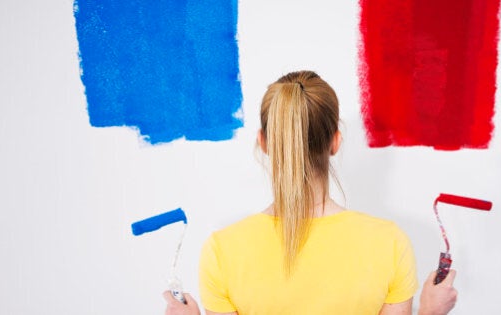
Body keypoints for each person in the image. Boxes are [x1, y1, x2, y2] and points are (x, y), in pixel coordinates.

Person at [163, 71, 458, 315]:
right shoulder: (390, 241)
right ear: (335, 142)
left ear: (263, 143)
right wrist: (429, 313)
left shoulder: (221, 250)